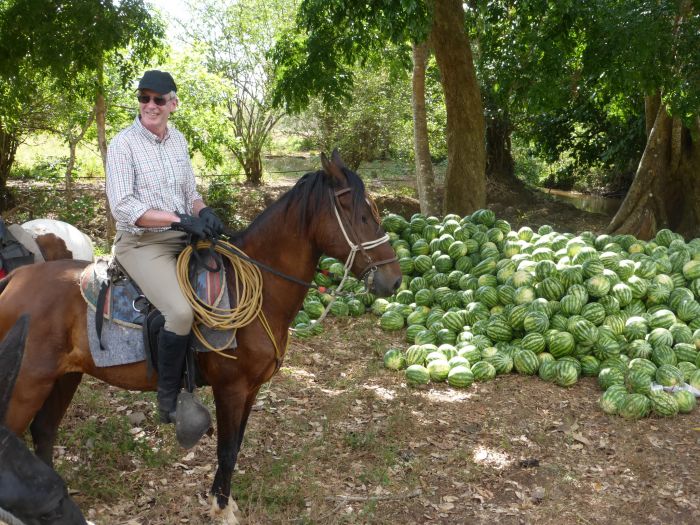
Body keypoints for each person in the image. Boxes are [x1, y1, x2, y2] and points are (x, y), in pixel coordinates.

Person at [106, 70, 224, 424]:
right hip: (142, 243)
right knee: (180, 312)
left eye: (159, 99)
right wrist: (178, 219)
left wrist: (204, 211)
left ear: (173, 103)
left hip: (181, 234)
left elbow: (190, 194)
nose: (150, 105)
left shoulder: (178, 141)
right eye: (144, 98)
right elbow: (124, 208)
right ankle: (168, 398)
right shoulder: (123, 144)